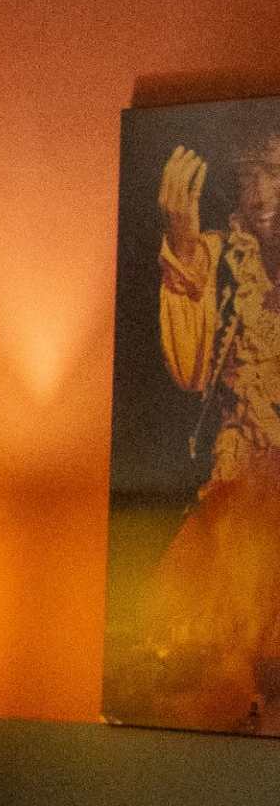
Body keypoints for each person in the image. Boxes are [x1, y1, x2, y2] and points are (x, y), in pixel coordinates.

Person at [141, 135, 280, 728]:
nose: (273, 192)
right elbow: (191, 369)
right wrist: (181, 241)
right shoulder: (215, 257)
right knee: (224, 665)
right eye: (266, 172)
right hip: (243, 488)